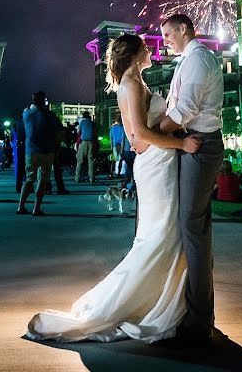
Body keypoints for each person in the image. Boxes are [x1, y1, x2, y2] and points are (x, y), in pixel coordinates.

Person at [26, 33, 201, 344]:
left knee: (164, 234)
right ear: (135, 54)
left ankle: (155, 302)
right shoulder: (131, 86)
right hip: (155, 166)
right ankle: (125, 306)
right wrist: (181, 144)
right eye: (146, 48)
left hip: (160, 164)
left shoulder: (136, 83)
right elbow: (138, 138)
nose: (151, 51)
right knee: (158, 237)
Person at [157, 13, 225, 346]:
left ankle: (199, 321)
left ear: (184, 29)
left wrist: (154, 134)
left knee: (191, 228)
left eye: (168, 34)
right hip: (194, 144)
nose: (165, 40)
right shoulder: (192, 59)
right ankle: (201, 312)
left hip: (201, 144)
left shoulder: (199, 59)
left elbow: (185, 108)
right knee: (196, 227)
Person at [17, 91, 63, 216]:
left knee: (29, 179)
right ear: (44, 101)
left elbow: (26, 110)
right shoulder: (51, 116)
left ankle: (21, 206)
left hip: (31, 151)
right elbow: (59, 134)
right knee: (42, 181)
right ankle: (36, 208)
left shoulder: (26, 114)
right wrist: (57, 150)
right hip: (47, 151)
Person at [75, 111, 97, 183]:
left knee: (80, 161)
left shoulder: (82, 122)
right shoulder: (93, 123)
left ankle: (77, 178)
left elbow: (79, 132)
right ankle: (91, 178)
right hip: (92, 142)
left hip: (84, 142)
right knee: (91, 161)